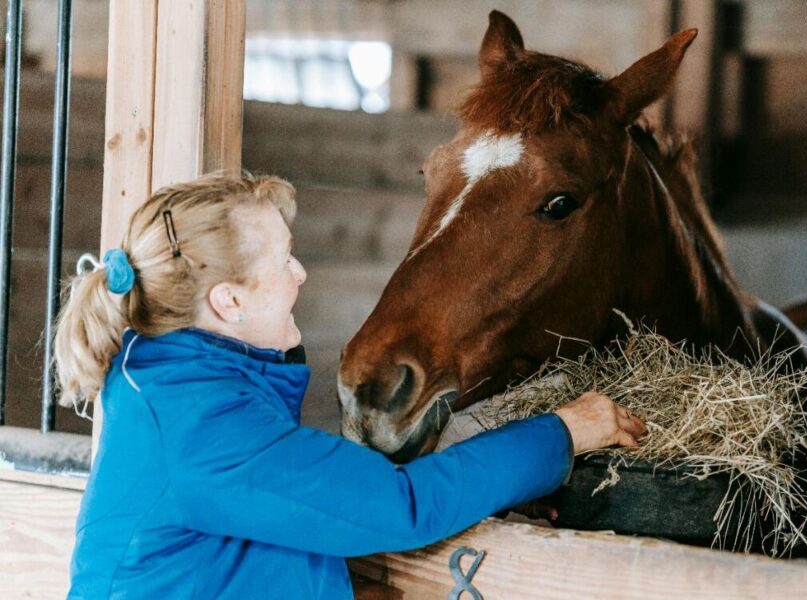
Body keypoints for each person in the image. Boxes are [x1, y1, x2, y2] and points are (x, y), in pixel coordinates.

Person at [57, 172, 646, 599]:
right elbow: (402, 506)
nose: (300, 273)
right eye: (284, 261)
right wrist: (561, 434)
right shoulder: (201, 426)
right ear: (228, 301)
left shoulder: (171, 384)